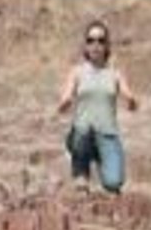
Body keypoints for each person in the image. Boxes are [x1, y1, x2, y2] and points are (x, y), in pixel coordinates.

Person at [56, 19, 138, 193]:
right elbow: (65, 98)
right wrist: (65, 103)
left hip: (107, 133)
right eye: (91, 40)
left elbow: (128, 96)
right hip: (83, 132)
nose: (95, 45)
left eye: (100, 41)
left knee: (114, 183)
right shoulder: (77, 72)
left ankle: (103, 160)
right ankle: (81, 174)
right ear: (85, 46)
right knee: (80, 135)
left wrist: (131, 101)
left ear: (107, 46)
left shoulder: (115, 74)